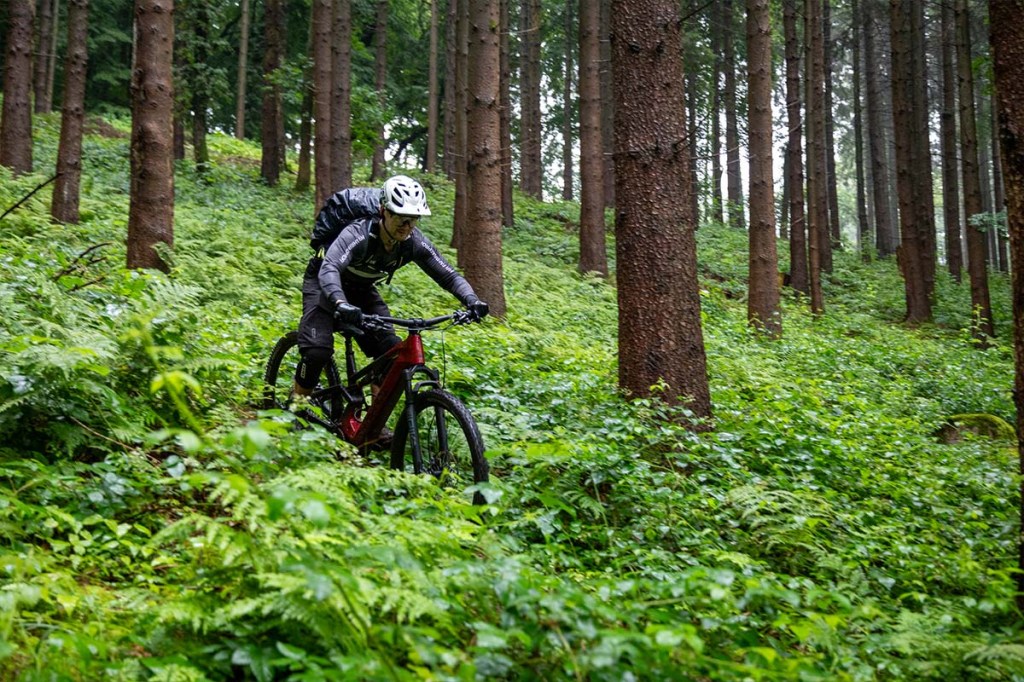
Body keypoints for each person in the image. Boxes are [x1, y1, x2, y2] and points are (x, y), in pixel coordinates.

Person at [292, 174, 489, 406]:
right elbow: (331, 267)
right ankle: (295, 408)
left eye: (413, 220)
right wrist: (339, 302)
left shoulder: (413, 241)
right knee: (317, 352)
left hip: (361, 288)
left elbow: (448, 275)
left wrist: (472, 300)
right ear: (384, 210)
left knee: (391, 353)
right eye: (402, 219)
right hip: (324, 284)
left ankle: (373, 427)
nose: (407, 228)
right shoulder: (359, 234)